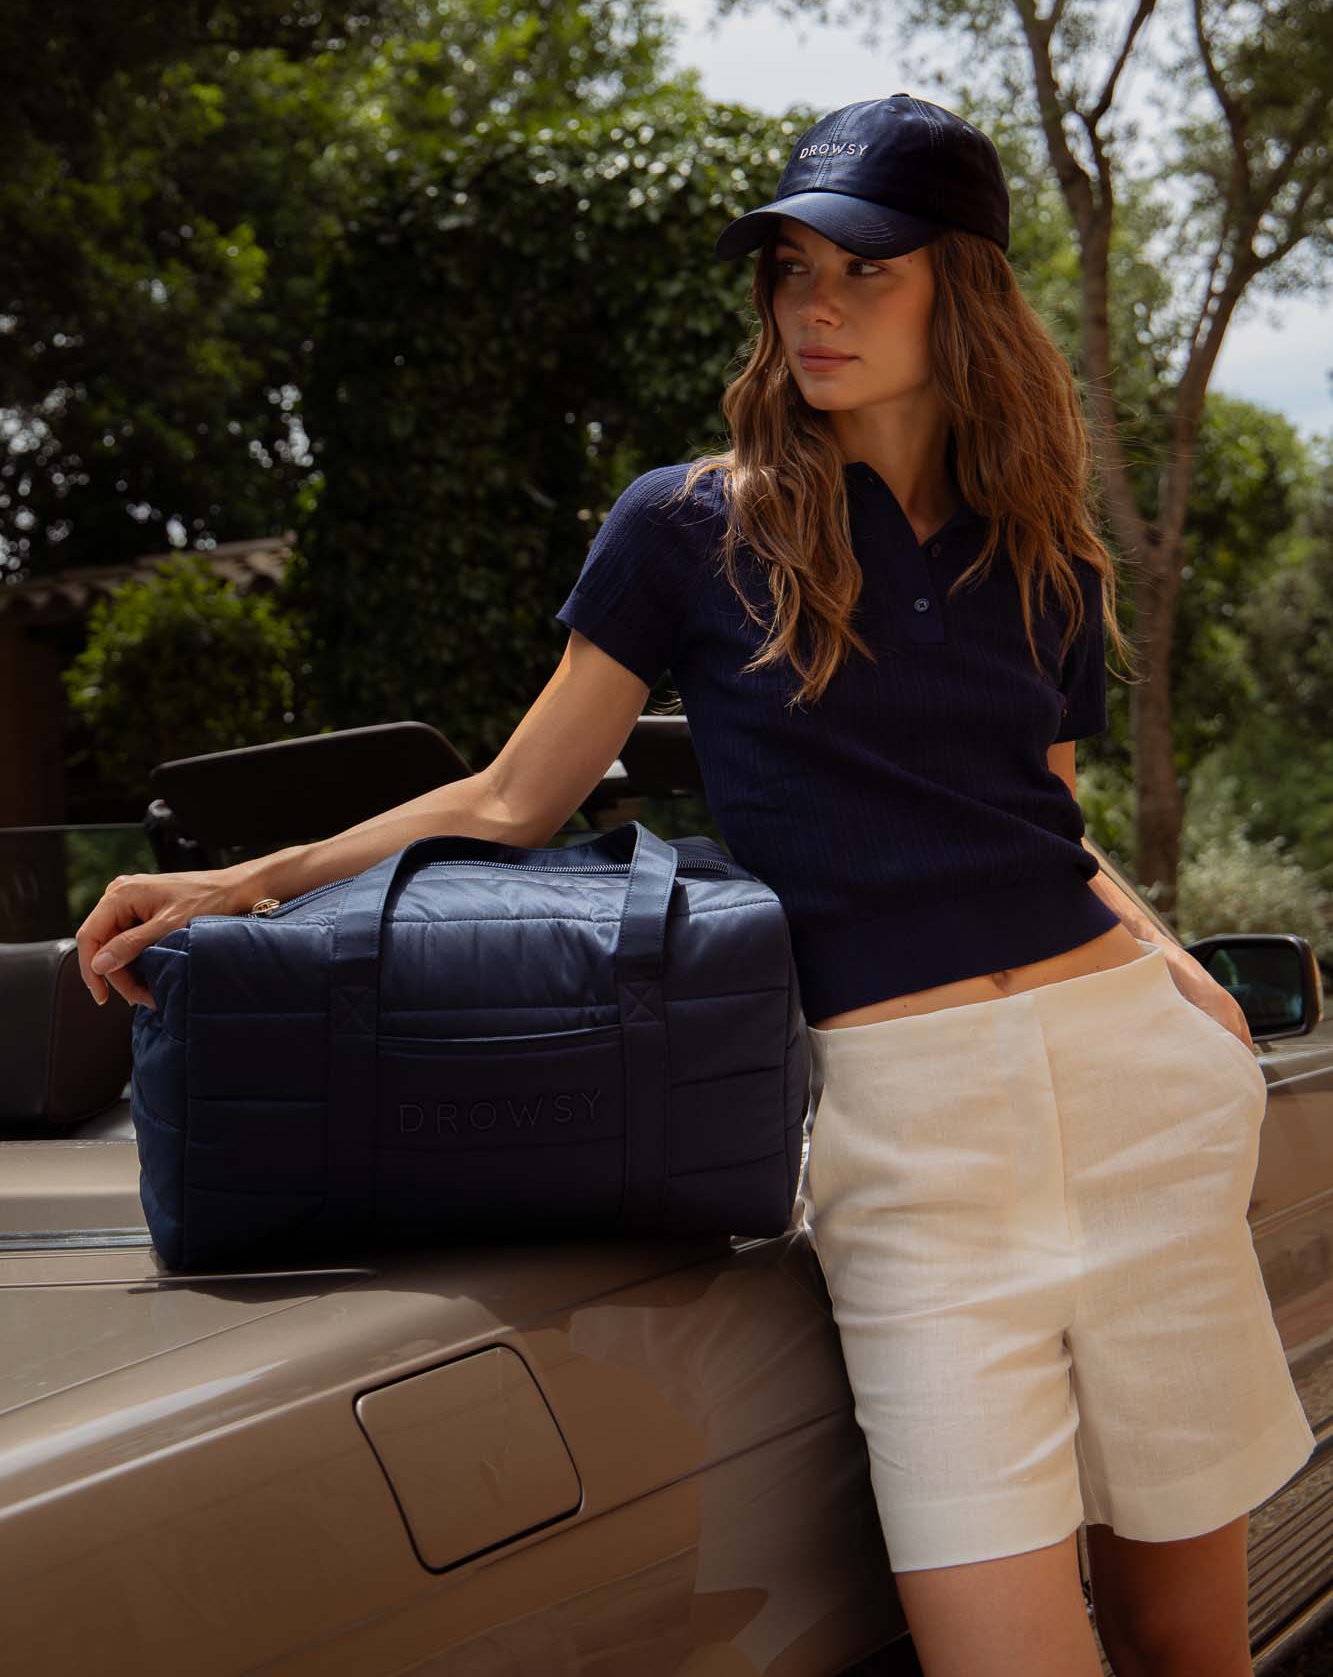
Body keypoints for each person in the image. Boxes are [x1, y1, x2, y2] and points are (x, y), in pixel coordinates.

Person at [77, 93, 1315, 1677]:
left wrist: (1179, 975)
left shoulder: (1043, 555)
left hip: (1141, 1099)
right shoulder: (689, 526)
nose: (814, 303)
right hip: (912, 1151)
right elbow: (517, 797)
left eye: (863, 271)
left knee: (1186, 1640)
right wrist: (238, 885)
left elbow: (1041, 821)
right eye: (792, 267)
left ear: (966, 289)